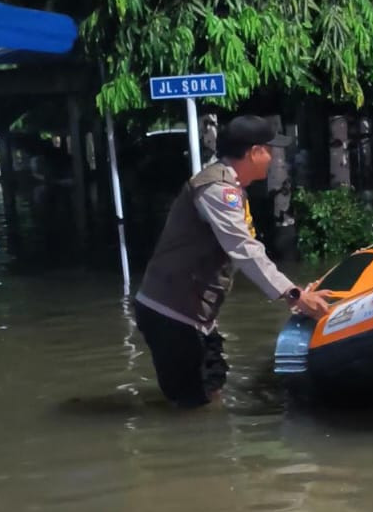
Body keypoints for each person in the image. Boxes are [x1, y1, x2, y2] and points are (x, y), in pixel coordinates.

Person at [134, 115, 330, 407]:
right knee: (193, 406)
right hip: (172, 315)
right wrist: (294, 295)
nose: (274, 156)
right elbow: (243, 247)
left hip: (191, 315)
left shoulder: (230, 185)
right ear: (254, 152)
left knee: (211, 392)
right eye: (269, 149)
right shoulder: (217, 190)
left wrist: (297, 290)